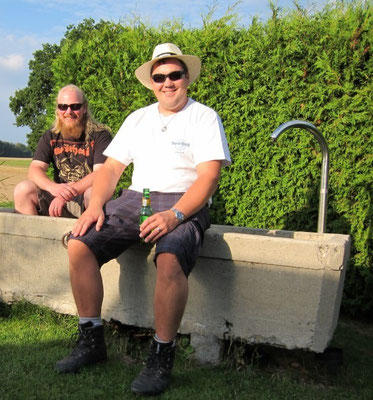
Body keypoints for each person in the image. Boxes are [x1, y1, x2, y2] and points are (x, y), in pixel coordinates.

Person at [55, 43, 231, 395]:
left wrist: (175, 214)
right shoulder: (138, 118)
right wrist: (95, 205)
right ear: (151, 83)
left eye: (174, 75)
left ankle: (161, 357)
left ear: (187, 78)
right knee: (79, 245)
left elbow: (209, 177)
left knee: (169, 258)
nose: (167, 83)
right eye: (159, 77)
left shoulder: (204, 117)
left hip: (184, 200)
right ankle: (91, 342)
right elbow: (111, 170)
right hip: (137, 198)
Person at [13, 85, 111, 218]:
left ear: (84, 108)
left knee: (94, 193)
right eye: (63, 107)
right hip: (57, 198)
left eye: (75, 106)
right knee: (23, 190)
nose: (68, 112)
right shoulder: (51, 136)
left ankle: (90, 231)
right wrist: (53, 187)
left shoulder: (100, 135)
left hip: (83, 198)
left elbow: (101, 173)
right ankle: (32, 231)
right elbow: (34, 169)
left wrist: (67, 193)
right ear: (58, 110)